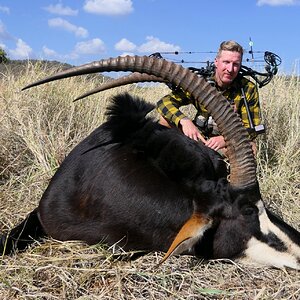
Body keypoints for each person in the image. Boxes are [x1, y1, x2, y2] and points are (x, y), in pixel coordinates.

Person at [156, 40, 261, 156]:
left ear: (240, 65)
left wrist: (225, 139)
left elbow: (253, 129)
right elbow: (164, 102)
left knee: (251, 147)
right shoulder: (199, 83)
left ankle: (229, 171)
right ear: (216, 62)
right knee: (165, 120)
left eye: (235, 64)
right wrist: (183, 121)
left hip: (227, 142)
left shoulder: (247, 88)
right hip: (200, 137)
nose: (230, 69)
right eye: (226, 62)